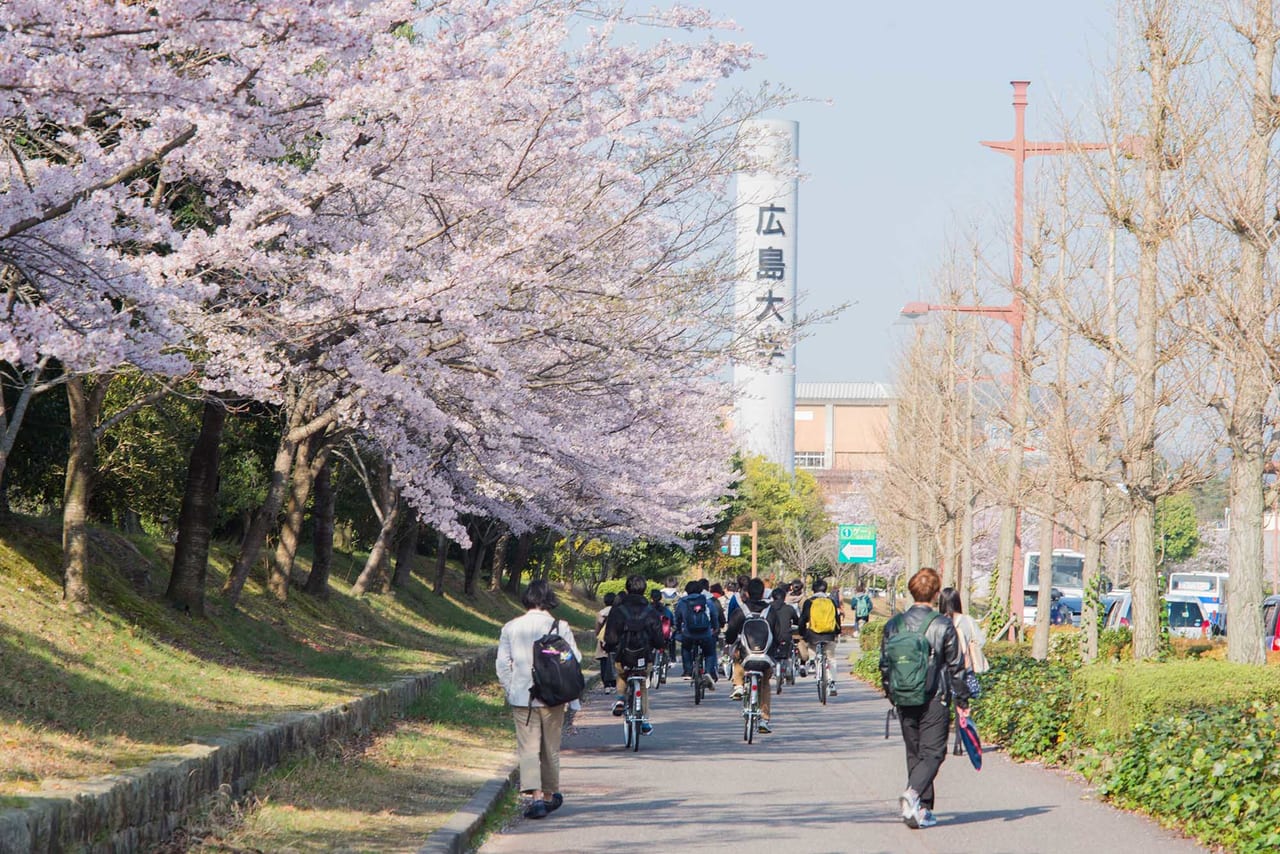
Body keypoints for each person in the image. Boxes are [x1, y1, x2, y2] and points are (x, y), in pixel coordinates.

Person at [879, 567, 969, 830]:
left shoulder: (893, 624)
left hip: (903, 696)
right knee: (934, 753)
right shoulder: (943, 625)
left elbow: (884, 665)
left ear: (911, 591)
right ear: (936, 594)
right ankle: (913, 794)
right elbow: (956, 666)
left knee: (915, 752)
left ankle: (922, 810)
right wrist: (963, 700)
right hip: (934, 697)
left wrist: (892, 694)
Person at [496, 580, 581, 819]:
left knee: (529, 748)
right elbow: (575, 658)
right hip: (553, 697)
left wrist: (511, 688)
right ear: (549, 599)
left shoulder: (511, 627)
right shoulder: (559, 626)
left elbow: (502, 664)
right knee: (551, 747)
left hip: (523, 696)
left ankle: (535, 799)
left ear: (527, 598)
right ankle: (549, 795)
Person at [724, 577, 790, 734]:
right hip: (765, 658)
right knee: (765, 684)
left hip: (747, 658)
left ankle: (738, 685)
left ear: (746, 593)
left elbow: (730, 636)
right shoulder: (770, 611)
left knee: (737, 655)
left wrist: (731, 641)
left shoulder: (741, 611)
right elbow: (778, 635)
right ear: (763, 593)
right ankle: (764, 719)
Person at [602, 575, 665, 735]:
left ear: (627, 589)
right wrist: (658, 646)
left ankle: (620, 699)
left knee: (622, 675)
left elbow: (611, 637)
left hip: (623, 656)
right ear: (644, 590)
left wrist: (609, 647)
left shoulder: (618, 610)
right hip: (645, 657)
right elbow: (658, 638)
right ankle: (644, 721)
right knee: (642, 683)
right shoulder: (651, 611)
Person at [938, 586, 987, 756]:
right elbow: (980, 641)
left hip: (943, 670)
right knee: (962, 706)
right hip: (964, 669)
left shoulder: (938, 621)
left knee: (943, 706)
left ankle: (941, 742)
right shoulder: (967, 620)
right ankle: (959, 743)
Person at [799, 577, 842, 696]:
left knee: (810, 646)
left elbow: (803, 620)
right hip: (829, 635)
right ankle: (832, 683)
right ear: (825, 589)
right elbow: (837, 619)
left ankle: (813, 662)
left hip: (813, 635)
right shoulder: (831, 601)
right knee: (831, 658)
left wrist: (802, 632)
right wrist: (837, 632)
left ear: (813, 590)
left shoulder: (809, 602)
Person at [674, 579, 720, 686]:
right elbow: (714, 616)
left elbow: (677, 618)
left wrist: (679, 629)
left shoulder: (682, 602)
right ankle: (708, 672)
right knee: (709, 652)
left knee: (686, 648)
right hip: (705, 633)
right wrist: (715, 628)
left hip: (688, 634)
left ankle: (688, 671)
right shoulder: (707, 601)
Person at [595, 592, 617, 688]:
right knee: (614, 659)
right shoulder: (617, 612)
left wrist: (598, 635)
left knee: (604, 660)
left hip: (603, 639)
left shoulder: (601, 613)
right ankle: (613, 681)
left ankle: (606, 683)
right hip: (615, 639)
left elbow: (597, 629)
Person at [649, 588, 677, 663]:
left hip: (650, 636)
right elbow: (673, 623)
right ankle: (672, 657)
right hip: (664, 636)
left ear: (651, 598)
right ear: (661, 598)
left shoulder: (647, 609)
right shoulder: (666, 610)